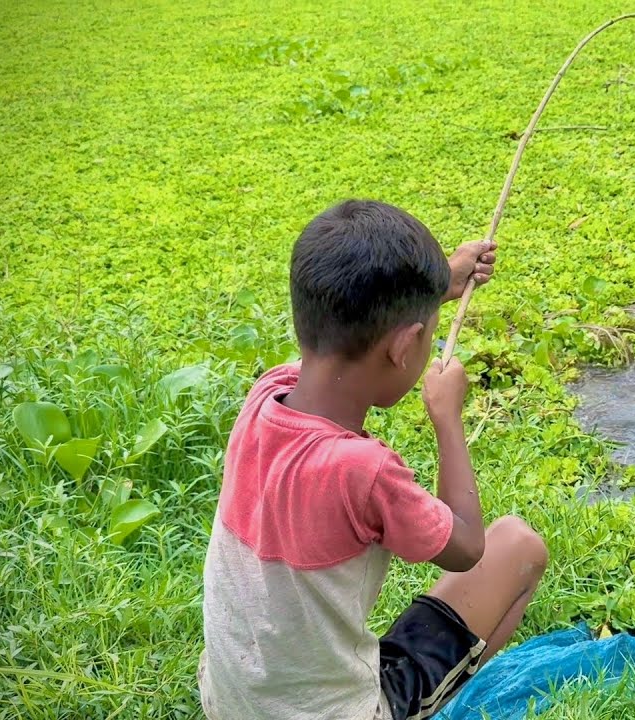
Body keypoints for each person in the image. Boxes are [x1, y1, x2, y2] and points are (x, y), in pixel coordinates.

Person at [198, 200, 549, 720]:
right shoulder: (363, 470)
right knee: (519, 546)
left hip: (230, 701)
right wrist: (447, 419)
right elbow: (467, 547)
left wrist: (437, 287)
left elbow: (347, 333)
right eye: (427, 336)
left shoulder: (265, 397)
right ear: (405, 346)